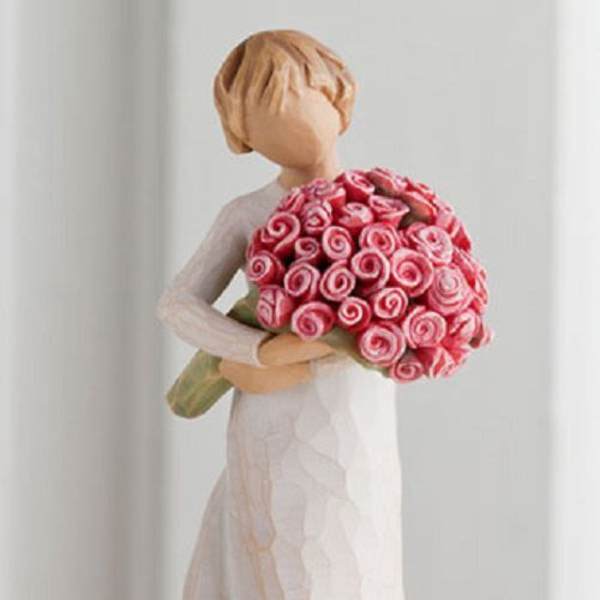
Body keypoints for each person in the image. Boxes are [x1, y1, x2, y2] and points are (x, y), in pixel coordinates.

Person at [158, 30, 405, 599]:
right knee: (282, 558)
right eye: (267, 118)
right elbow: (178, 303)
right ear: (244, 136)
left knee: (362, 552)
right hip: (278, 417)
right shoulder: (248, 213)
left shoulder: (383, 205)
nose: (294, 125)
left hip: (358, 411)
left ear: (338, 95)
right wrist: (255, 351)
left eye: (301, 102)